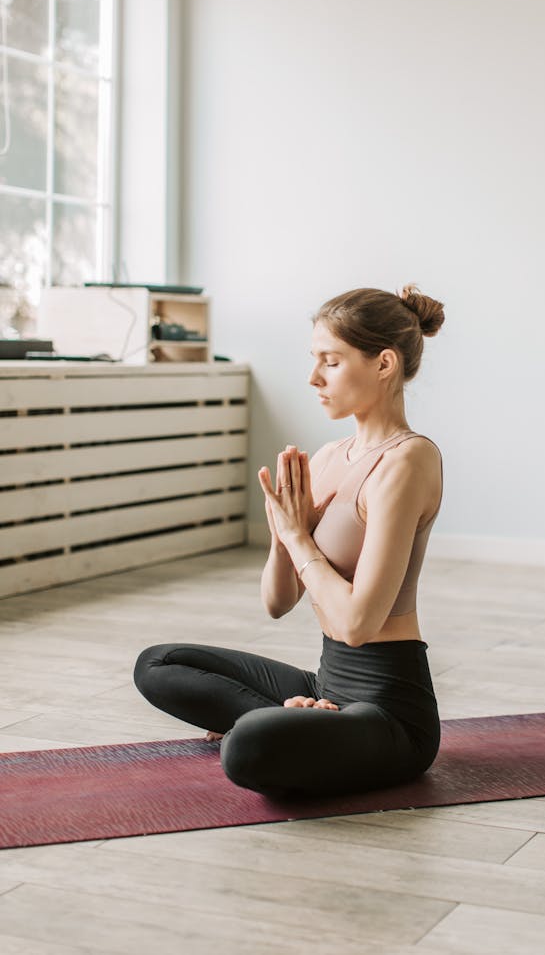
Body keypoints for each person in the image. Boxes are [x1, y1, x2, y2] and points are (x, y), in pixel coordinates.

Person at [134, 285, 445, 797]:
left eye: (332, 361)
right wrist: (282, 536)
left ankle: (284, 725)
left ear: (384, 363)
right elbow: (278, 603)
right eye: (314, 360)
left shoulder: (408, 462)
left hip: (390, 712)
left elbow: (358, 623)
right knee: (157, 664)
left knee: (247, 747)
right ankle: (301, 719)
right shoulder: (326, 458)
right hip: (328, 684)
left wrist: (299, 536)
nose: (314, 378)